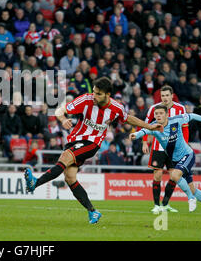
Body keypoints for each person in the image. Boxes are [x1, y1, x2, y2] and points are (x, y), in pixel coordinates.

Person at [24, 77, 163, 224]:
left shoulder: (116, 108)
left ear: (107, 95)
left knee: (65, 157)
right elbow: (60, 110)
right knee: (70, 178)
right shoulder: (86, 99)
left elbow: (129, 119)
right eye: (94, 92)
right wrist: (63, 119)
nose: (94, 96)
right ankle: (93, 212)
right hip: (74, 139)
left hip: (92, 143)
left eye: (98, 94)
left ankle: (35, 183)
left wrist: (149, 126)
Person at [130, 105, 201, 215]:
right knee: (191, 188)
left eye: (161, 113)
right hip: (175, 160)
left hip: (187, 155)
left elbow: (192, 115)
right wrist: (135, 134)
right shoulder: (153, 127)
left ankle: (191, 198)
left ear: (167, 115)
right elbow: (143, 131)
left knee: (174, 175)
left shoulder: (176, 120)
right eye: (157, 114)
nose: (158, 116)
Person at [141, 85, 195, 214]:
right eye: (163, 96)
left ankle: (165, 204)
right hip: (158, 147)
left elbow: (185, 127)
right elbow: (145, 125)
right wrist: (144, 142)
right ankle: (156, 205)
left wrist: (185, 145)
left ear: (172, 95)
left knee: (174, 176)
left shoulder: (180, 108)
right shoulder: (154, 109)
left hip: (175, 149)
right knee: (157, 175)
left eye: (167, 95)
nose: (165, 98)